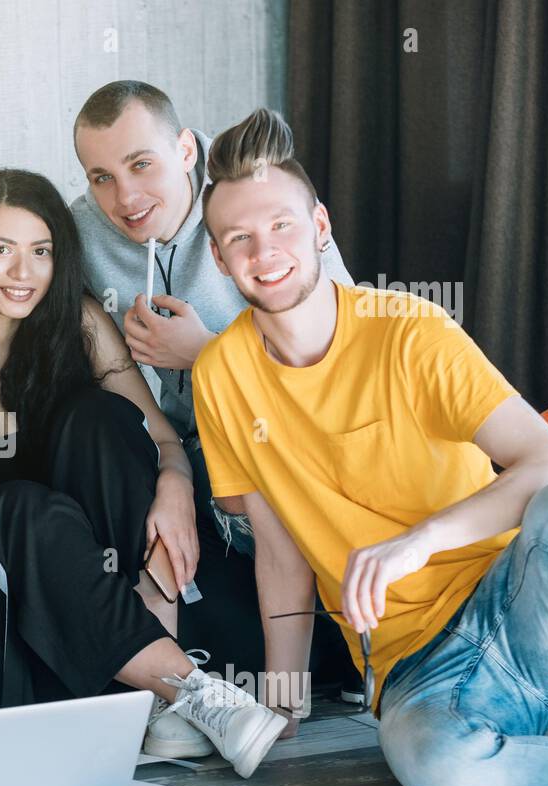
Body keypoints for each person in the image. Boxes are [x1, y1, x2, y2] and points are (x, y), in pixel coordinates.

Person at [193, 107, 548, 786]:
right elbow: (281, 552)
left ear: (320, 227)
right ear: (220, 256)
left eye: (282, 226)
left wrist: (420, 541)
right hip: (419, 673)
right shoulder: (219, 375)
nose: (265, 251)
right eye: (240, 238)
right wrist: (283, 702)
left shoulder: (411, 332)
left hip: (524, 605)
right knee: (450, 784)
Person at [0, 169, 287, 777]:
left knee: (102, 418)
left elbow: (154, 434)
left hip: (66, 548)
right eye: (1, 251)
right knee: (26, 505)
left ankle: (160, 696)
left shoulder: (76, 323)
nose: (23, 273)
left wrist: (175, 482)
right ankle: (185, 688)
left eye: (41, 252)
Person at [72, 80, 356, 697]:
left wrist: (208, 356)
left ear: (184, 150)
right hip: (179, 476)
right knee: (95, 421)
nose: (124, 197)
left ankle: (309, 658)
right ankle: (169, 680)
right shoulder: (80, 235)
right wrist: (172, 468)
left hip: (283, 463)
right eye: (100, 177)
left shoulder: (255, 200)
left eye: (141, 164)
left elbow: (340, 367)